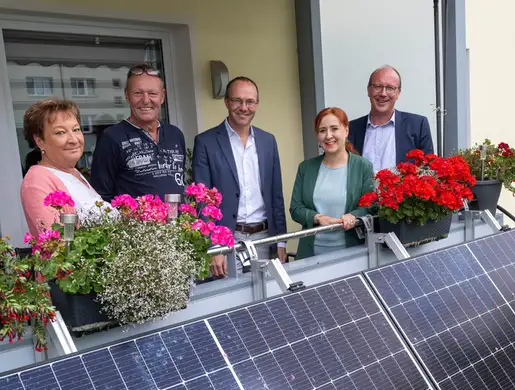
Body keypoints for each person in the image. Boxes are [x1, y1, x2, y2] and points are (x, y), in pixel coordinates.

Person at [192, 77, 287, 277]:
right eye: (237, 101)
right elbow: (202, 200)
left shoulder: (268, 141)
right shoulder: (206, 142)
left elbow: (276, 195)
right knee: (231, 300)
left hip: (264, 238)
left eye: (250, 101)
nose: (244, 107)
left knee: (267, 300)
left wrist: (280, 241)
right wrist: (213, 245)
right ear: (227, 102)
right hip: (226, 239)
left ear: (257, 104)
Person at [90, 64, 187, 201]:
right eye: (138, 93)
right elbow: (101, 196)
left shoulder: (175, 134)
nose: (146, 100)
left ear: (162, 96)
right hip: (133, 222)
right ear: (127, 96)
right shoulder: (112, 138)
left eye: (152, 93)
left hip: (177, 221)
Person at [290, 107, 376, 259]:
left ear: (346, 131)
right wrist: (317, 217)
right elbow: (296, 208)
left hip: (352, 255)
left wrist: (353, 216)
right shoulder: (306, 168)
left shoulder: (363, 166)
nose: (328, 136)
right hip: (311, 255)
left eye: (334, 129)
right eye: (322, 130)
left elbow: (370, 206)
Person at [20, 99, 109, 237]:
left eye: (76, 130)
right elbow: (60, 246)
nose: (73, 139)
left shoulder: (73, 173)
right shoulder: (37, 181)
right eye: (60, 132)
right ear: (39, 141)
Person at [347, 65, 435, 173]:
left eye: (390, 88)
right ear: (368, 90)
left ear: (398, 93)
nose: (383, 93)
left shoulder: (418, 126)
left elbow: (429, 172)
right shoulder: (350, 129)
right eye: (377, 86)